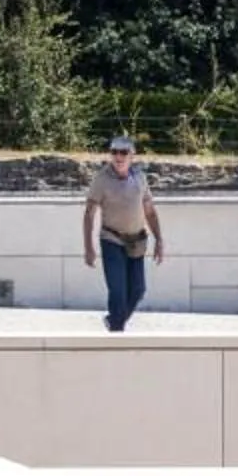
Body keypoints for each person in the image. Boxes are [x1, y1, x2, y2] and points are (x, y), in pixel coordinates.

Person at [83, 134, 164, 333]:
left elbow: (149, 211)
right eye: (114, 152)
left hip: (136, 241)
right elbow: (89, 214)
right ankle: (117, 332)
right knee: (117, 291)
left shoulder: (139, 177)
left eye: (123, 152)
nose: (118, 157)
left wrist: (159, 240)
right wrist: (89, 247)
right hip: (112, 239)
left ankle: (114, 321)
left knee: (137, 290)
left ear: (132, 156)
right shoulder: (102, 179)